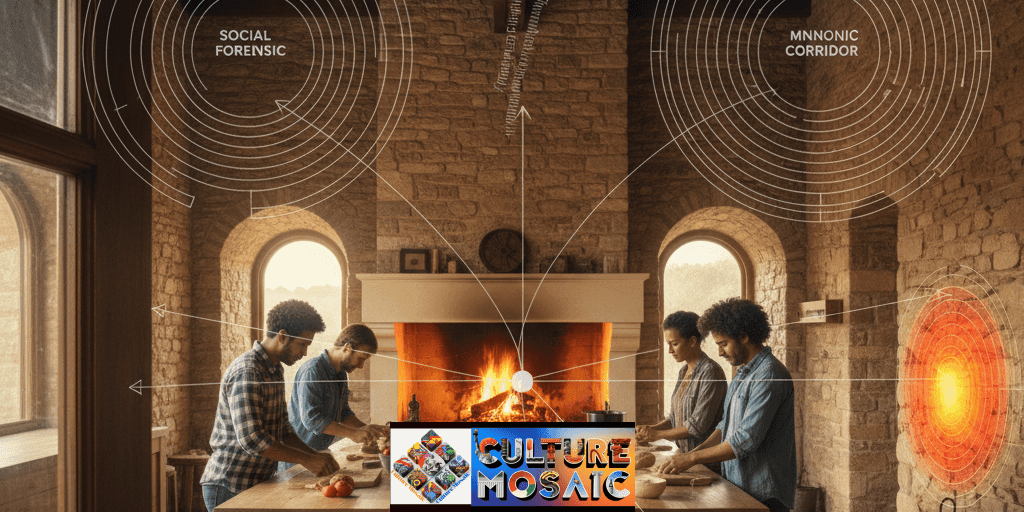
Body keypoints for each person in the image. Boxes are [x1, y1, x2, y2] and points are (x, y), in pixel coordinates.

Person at [653, 298, 796, 512]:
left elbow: (744, 440)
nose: (720, 352)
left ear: (744, 337)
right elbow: (725, 425)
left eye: (723, 344)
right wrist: (691, 458)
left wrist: (691, 457)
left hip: (765, 494)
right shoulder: (743, 372)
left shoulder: (770, 375)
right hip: (739, 486)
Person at [200, 300, 341, 511]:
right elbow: (252, 439)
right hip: (229, 485)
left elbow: (283, 428)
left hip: (256, 483)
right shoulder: (248, 371)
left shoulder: (275, 370)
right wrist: (306, 460)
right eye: (302, 344)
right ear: (282, 336)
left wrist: (313, 455)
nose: (304, 353)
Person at [281, 324, 389, 471]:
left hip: (320, 455)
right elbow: (312, 420)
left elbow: (343, 413)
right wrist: (353, 434)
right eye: (361, 358)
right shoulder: (312, 371)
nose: (361, 366)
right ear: (347, 348)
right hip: (298, 461)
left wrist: (366, 429)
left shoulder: (341, 374)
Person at [637, 311, 728, 474]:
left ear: (693, 341)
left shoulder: (711, 372)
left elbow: (697, 426)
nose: (670, 351)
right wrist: (649, 430)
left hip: (706, 464)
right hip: (682, 460)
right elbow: (675, 418)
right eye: (668, 344)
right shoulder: (683, 371)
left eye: (674, 344)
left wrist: (656, 435)